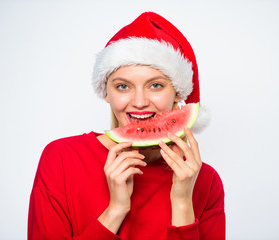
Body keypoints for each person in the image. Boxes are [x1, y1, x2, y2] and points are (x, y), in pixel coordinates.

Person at [28, 12, 225, 240]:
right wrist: (115, 211)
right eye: (123, 86)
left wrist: (182, 203)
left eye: (156, 85)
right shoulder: (61, 159)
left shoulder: (205, 181)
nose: (139, 102)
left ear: (177, 94)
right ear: (107, 94)